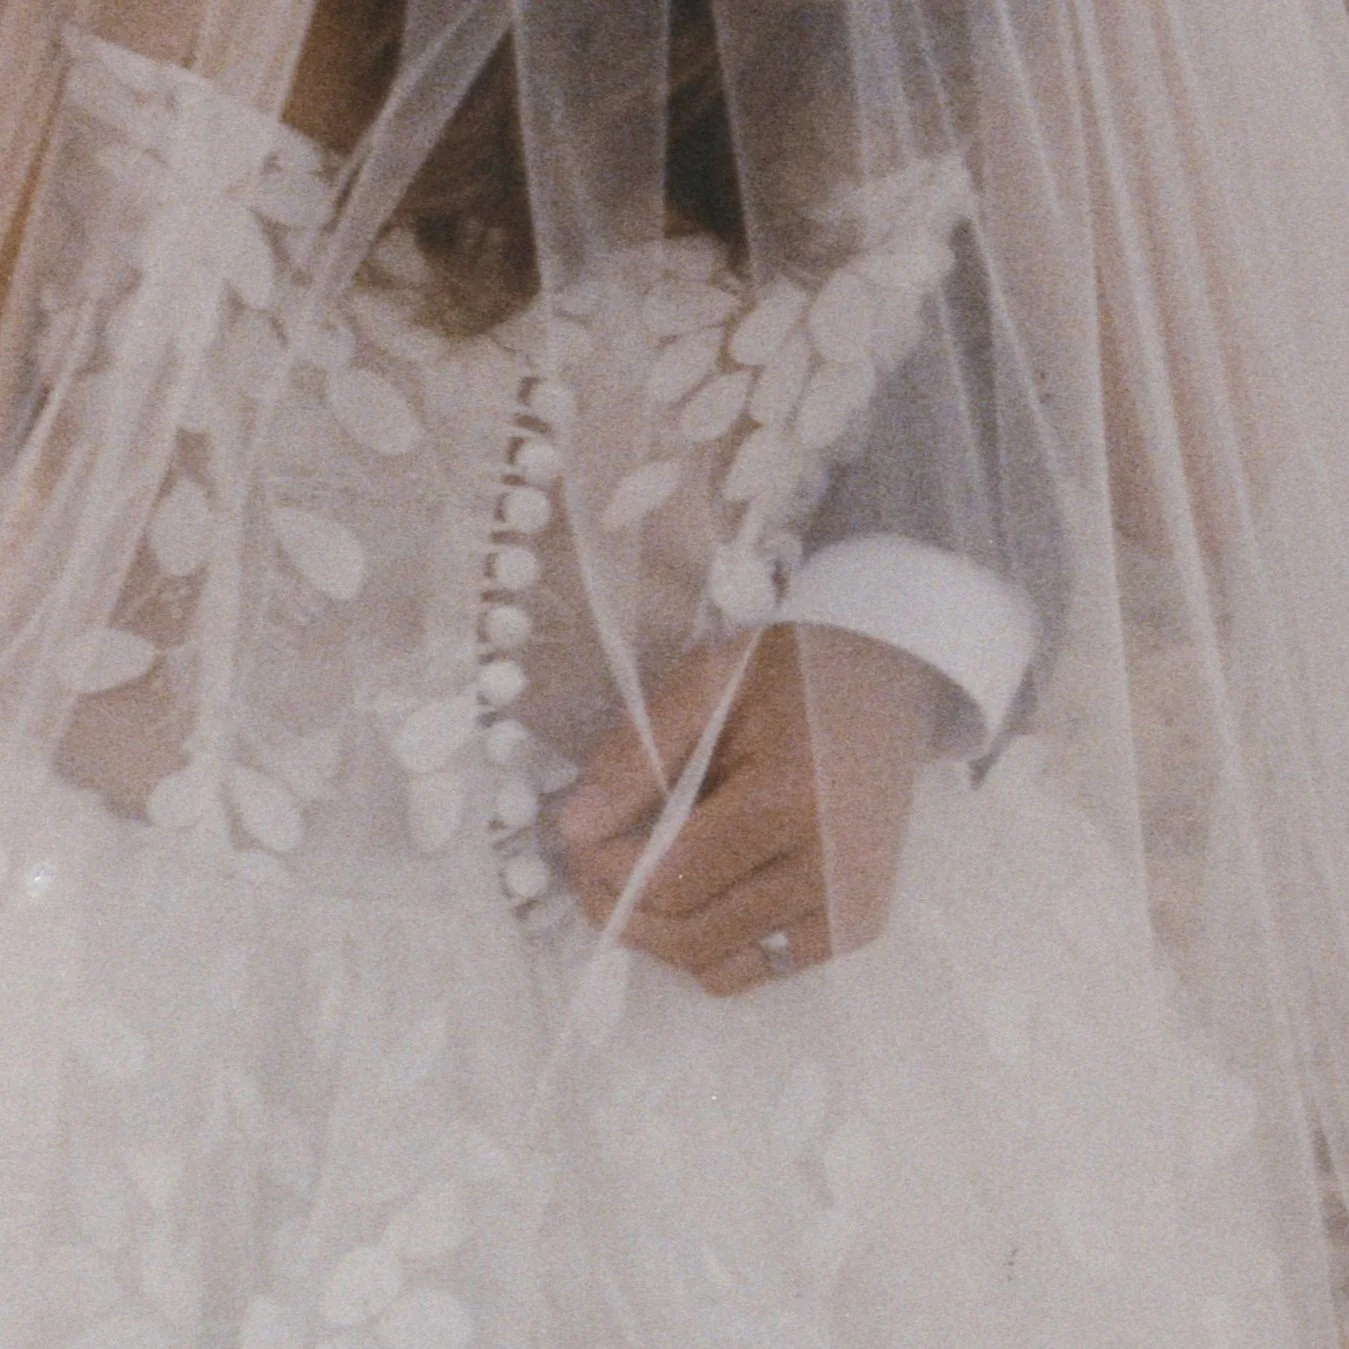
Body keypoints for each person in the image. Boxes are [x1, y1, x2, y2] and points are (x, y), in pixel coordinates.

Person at [2, 0, 1349, 1344]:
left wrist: (893, 641)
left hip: (176, 1003)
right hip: (739, 1051)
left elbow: (1159, 420)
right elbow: (1202, 424)